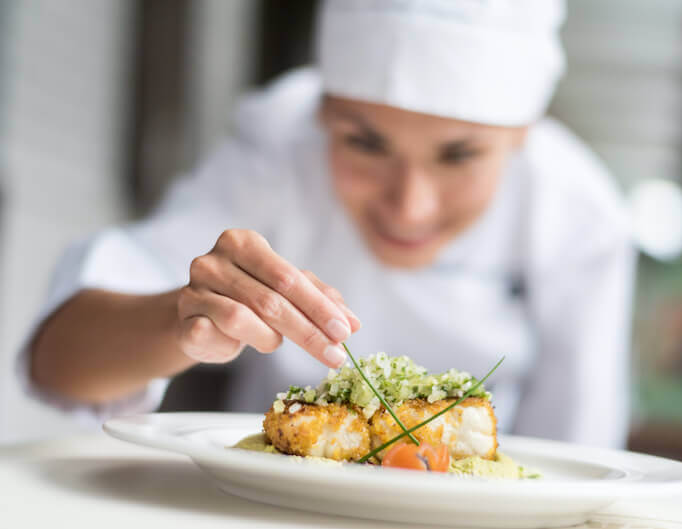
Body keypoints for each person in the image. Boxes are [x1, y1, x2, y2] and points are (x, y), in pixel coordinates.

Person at [19, 0, 636, 447]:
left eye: (460, 155)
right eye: (364, 144)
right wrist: (182, 318)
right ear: (322, 115)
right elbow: (57, 362)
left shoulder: (577, 211)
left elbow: (578, 453)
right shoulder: (280, 146)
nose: (410, 206)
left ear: (522, 135)